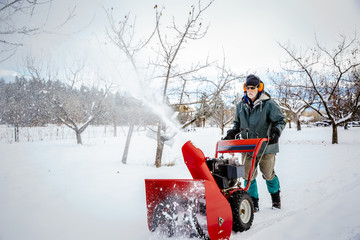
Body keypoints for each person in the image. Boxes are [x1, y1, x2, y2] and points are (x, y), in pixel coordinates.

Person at [223, 74, 286, 212]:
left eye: (253, 87)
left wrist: (276, 131)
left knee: (268, 174)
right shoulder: (241, 106)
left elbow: (281, 120)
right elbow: (237, 125)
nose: (250, 90)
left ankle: (276, 199)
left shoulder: (269, 104)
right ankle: (253, 202)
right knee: (247, 176)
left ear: (259, 88)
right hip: (248, 147)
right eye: (247, 87)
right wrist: (232, 133)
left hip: (266, 146)